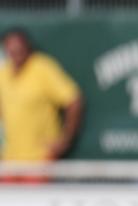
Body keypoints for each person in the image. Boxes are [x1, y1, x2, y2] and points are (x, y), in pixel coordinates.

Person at [0, 27, 83, 162]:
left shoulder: (42, 67)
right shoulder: (3, 73)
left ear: (27, 47)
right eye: (11, 48)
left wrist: (66, 138)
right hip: (9, 159)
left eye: (19, 47)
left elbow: (73, 99)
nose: (15, 52)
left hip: (39, 159)